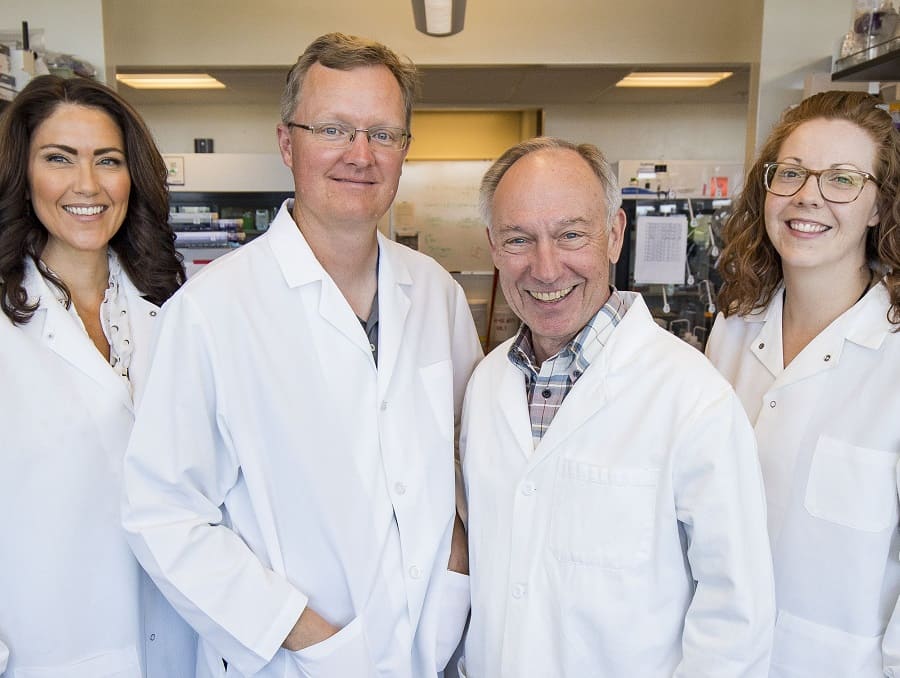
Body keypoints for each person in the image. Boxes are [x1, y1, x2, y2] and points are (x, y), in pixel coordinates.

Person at [122, 33, 482, 678]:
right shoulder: (210, 311)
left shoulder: (435, 292)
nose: (360, 155)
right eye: (334, 129)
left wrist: (456, 557)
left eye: (384, 133)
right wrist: (308, 637)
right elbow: (164, 514)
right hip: (296, 662)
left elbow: (467, 452)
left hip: (433, 643)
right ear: (287, 143)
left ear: (404, 151)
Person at [459, 136, 776, 677]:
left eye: (571, 235)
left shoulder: (690, 396)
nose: (546, 267)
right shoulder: (487, 384)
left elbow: (736, 616)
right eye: (518, 239)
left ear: (614, 235)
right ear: (492, 245)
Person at [0, 75, 195, 676]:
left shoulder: (174, 308)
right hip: (47, 649)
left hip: (181, 641)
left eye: (107, 161)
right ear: (22, 175)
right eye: (59, 159)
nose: (87, 185)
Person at [706, 91, 900, 677]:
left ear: (878, 207)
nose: (807, 196)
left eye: (842, 179)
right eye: (790, 173)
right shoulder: (734, 329)